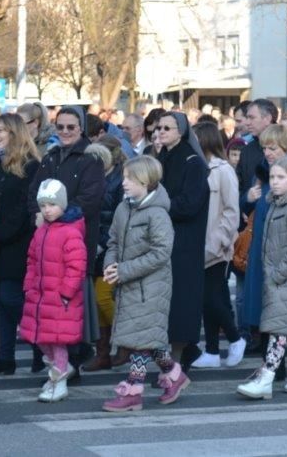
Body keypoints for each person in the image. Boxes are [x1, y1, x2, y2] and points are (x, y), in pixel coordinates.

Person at [101, 156, 187, 412]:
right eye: (124, 177)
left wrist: (124, 270)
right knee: (148, 337)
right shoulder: (123, 208)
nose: (124, 182)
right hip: (128, 285)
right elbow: (113, 242)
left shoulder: (157, 214)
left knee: (140, 340)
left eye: (130, 178)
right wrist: (111, 265)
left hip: (151, 288)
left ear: (145, 181)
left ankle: (133, 391)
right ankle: (174, 375)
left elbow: (161, 253)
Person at [29, 106, 105, 373]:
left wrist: (53, 217)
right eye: (60, 126)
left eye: (70, 127)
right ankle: (58, 366)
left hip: (75, 244)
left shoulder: (91, 158)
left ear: (81, 128)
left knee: (71, 309)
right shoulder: (50, 157)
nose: (64, 131)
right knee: (51, 311)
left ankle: (70, 363)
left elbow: (90, 200)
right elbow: (33, 193)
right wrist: (39, 213)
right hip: (47, 247)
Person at [236, 157, 287, 399]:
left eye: (281, 177)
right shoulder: (277, 203)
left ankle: (266, 376)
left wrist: (277, 274)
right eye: (272, 177)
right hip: (280, 276)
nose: (275, 182)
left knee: (278, 326)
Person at [0, 114, 40, 376]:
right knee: (2, 304)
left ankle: (40, 344)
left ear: (15, 134)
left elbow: (24, 209)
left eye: (1, 130)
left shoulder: (31, 166)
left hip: (18, 244)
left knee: (11, 298)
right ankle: (6, 357)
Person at [20, 179, 87, 402]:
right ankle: (60, 370)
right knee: (40, 338)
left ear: (63, 205)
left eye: (52, 204)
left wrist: (66, 293)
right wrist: (29, 286)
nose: (47, 210)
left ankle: (59, 381)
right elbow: (31, 260)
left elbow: (76, 267)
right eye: (43, 205)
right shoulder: (41, 232)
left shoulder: (70, 232)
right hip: (39, 297)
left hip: (59, 298)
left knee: (57, 342)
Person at [190, 122, 246, 368]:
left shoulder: (223, 170)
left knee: (211, 298)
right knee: (206, 300)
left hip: (216, 247)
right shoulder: (197, 166)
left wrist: (219, 240)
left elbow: (232, 210)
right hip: (197, 243)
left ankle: (235, 337)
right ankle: (212, 350)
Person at [157, 112, 210, 368]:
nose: (161, 131)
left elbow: (190, 203)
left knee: (181, 300)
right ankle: (183, 353)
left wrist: (158, 206)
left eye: (167, 128)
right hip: (163, 239)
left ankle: (178, 359)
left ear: (181, 131)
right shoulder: (161, 158)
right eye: (159, 127)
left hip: (185, 243)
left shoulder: (193, 162)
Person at [82, 136, 128, 371]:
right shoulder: (94, 178)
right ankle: (102, 353)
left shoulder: (121, 179)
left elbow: (120, 217)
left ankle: (125, 342)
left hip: (111, 246)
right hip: (92, 244)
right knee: (95, 301)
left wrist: (102, 243)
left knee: (103, 297)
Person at [237, 99, 279, 201]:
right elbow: (240, 189)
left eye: (252, 118)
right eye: (247, 117)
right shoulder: (246, 151)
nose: (247, 123)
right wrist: (246, 201)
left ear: (267, 119)